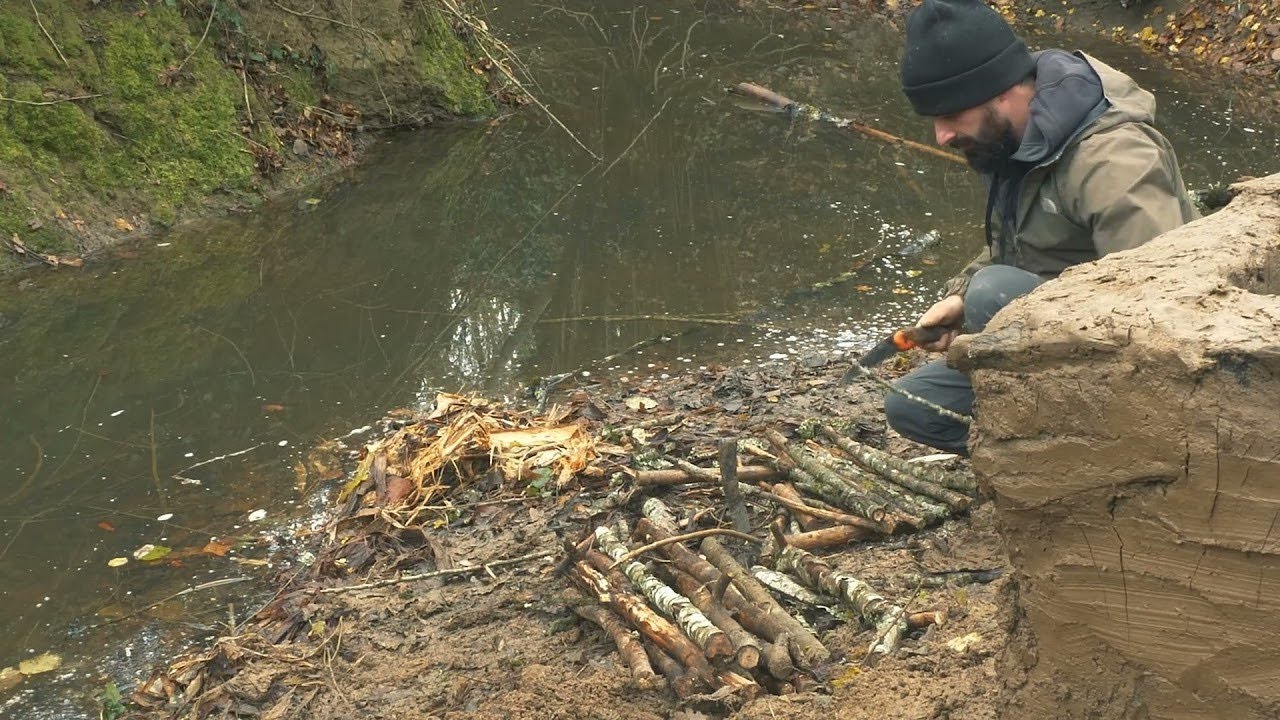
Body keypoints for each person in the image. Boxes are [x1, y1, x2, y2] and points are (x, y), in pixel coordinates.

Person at [885, 0, 1199, 454]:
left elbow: (1164, 305)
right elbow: (1020, 245)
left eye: (951, 115)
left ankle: (1107, 455)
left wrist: (994, 305)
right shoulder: (1012, 141)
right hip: (1057, 346)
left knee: (994, 290)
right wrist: (961, 298)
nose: (942, 136)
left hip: (1131, 368)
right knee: (913, 403)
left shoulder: (1112, 160)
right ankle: (1047, 462)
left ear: (1004, 92)